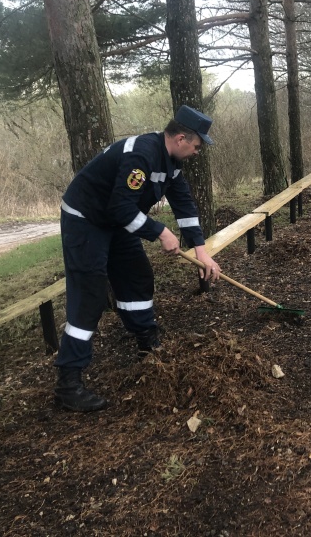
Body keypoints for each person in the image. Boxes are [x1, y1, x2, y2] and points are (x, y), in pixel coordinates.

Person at [53, 105, 222, 412]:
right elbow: (120, 207)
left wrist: (201, 250)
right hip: (86, 219)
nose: (197, 152)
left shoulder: (172, 162)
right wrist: (160, 231)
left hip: (118, 220)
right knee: (90, 295)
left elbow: (184, 204)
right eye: (197, 146)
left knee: (136, 277)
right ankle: (68, 382)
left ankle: (147, 343)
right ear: (182, 138)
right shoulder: (140, 156)